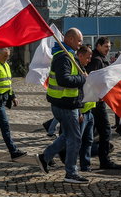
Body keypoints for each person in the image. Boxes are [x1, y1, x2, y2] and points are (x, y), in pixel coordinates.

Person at [35, 28, 89, 184]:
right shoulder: (64, 57)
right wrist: (82, 79)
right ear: (70, 39)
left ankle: (44, 157)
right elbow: (63, 80)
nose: (80, 44)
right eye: (79, 40)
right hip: (64, 105)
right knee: (75, 139)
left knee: (67, 136)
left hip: (67, 104)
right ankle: (71, 173)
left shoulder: (68, 55)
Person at [86, 37, 121, 169]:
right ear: (99, 46)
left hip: (96, 101)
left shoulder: (100, 58)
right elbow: (91, 80)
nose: (108, 50)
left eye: (109, 48)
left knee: (87, 132)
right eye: (106, 47)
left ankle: (60, 153)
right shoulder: (96, 60)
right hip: (96, 102)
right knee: (105, 131)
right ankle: (104, 160)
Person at [0, 48, 27, 160]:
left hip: (2, 100)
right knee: (5, 126)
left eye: (8, 55)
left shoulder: (5, 64)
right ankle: (13, 151)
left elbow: (8, 83)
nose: (7, 58)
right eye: (5, 56)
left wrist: (13, 96)